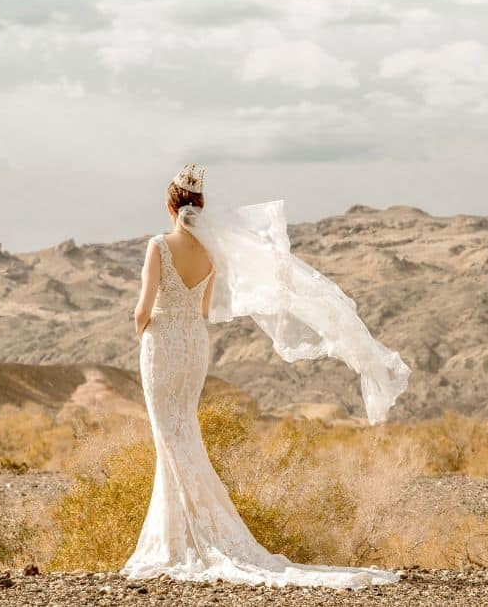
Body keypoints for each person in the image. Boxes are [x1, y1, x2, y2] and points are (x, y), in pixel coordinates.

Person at [120, 163, 407, 588]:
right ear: (199, 206)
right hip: (196, 346)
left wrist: (141, 331)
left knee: (169, 435)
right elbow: (204, 311)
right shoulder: (212, 251)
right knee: (185, 432)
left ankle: (184, 542)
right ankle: (183, 536)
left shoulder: (158, 245)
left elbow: (144, 308)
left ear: (170, 206)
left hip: (162, 345)